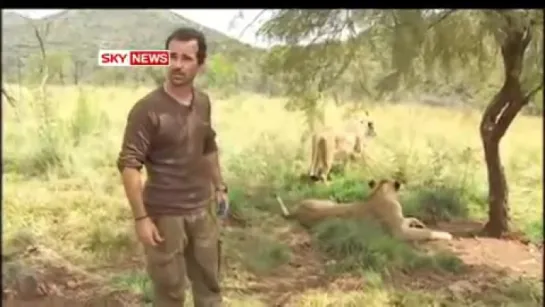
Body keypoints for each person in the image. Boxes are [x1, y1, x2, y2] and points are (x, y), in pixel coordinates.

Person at [117, 27, 228, 307]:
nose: (177, 65)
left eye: (186, 58)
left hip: (203, 211)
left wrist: (220, 186)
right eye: (172, 56)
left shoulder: (203, 102)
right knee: (170, 293)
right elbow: (130, 164)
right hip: (164, 215)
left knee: (210, 288)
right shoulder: (147, 109)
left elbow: (208, 146)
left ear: (200, 64)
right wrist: (141, 219)